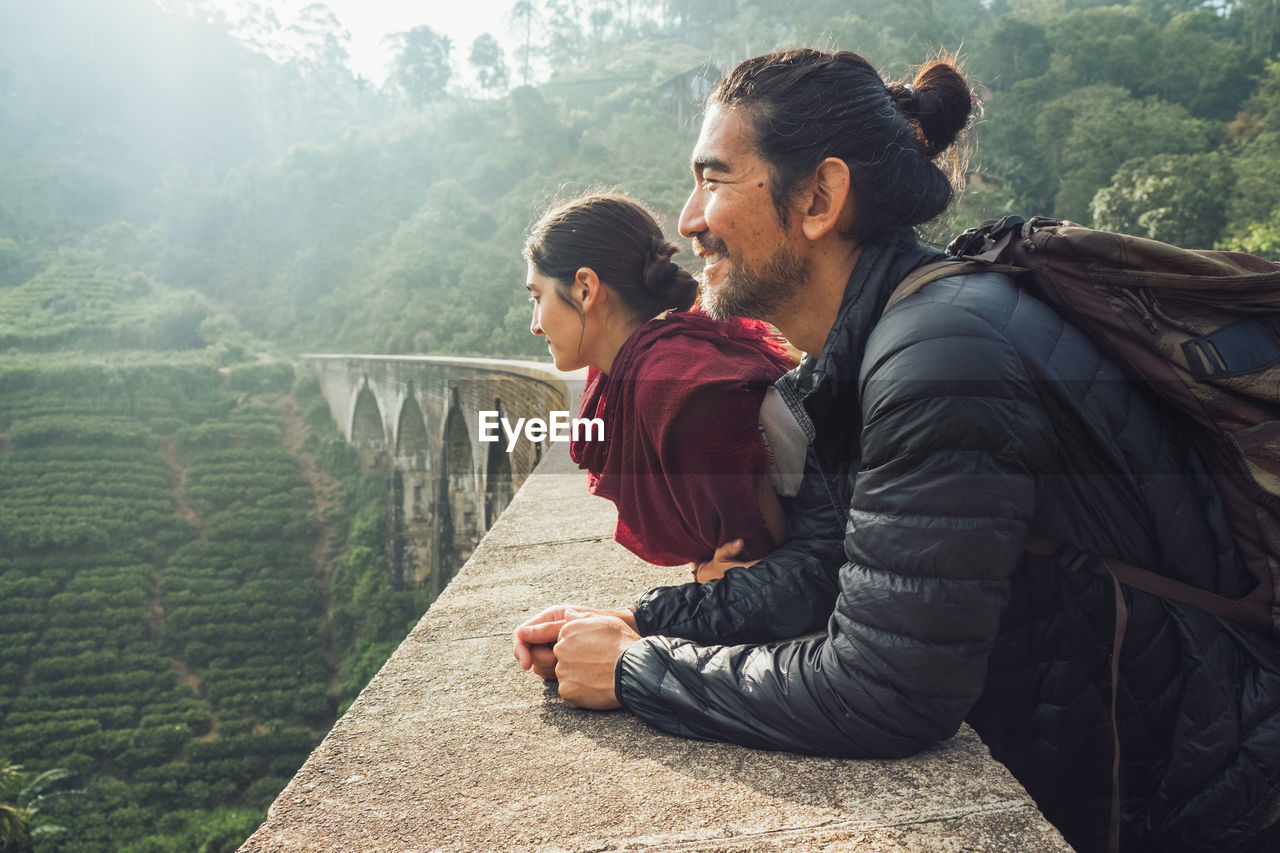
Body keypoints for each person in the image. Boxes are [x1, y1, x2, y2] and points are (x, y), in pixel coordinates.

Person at [512, 49, 1280, 853]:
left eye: (714, 179)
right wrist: (639, 618)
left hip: (1211, 798)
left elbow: (888, 688)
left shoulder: (940, 351)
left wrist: (639, 673)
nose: (687, 218)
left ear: (818, 197)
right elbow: (826, 567)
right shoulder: (872, 344)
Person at [523, 192, 800, 579]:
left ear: (585, 288)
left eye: (538, 297)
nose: (535, 324)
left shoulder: (675, 385)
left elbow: (760, 569)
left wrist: (707, 575)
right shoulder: (632, 370)